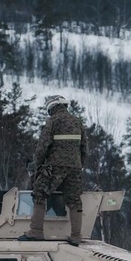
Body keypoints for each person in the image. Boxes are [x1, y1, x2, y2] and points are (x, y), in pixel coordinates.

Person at [27, 93, 87, 242]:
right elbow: (84, 148)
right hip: (75, 167)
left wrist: (38, 167)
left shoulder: (52, 121)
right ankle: (75, 236)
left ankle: (36, 231)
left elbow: (42, 148)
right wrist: (79, 165)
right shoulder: (77, 122)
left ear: (51, 108)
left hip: (55, 166)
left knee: (39, 194)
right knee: (74, 201)